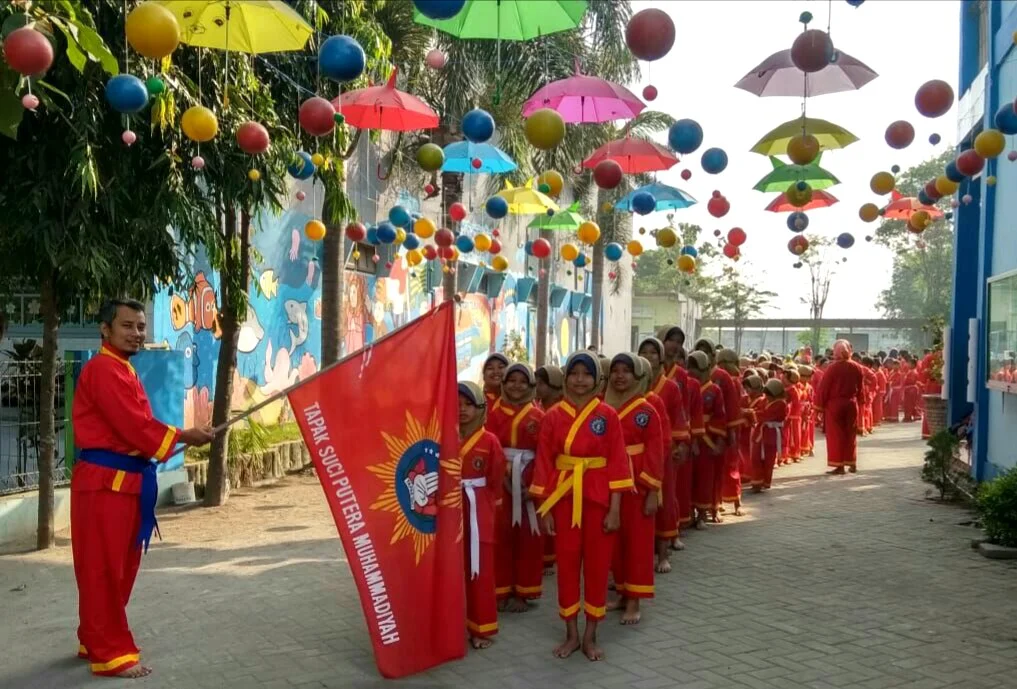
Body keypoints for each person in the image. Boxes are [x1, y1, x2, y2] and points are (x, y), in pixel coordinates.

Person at [72, 299, 214, 678]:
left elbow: (137, 427)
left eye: (140, 326)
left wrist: (180, 437)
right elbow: (134, 426)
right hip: (106, 487)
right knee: (105, 569)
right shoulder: (104, 369)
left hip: (121, 484)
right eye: (127, 326)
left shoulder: (120, 369)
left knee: (111, 568)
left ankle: (94, 637)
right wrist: (185, 434)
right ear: (106, 329)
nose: (137, 333)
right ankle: (111, 653)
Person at [530, 352, 632, 661]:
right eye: (573, 373)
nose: (579, 379)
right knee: (567, 568)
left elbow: (617, 463)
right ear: (565, 377)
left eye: (586, 374)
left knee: (599, 568)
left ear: (596, 379)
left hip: (599, 499)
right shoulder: (551, 416)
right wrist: (544, 509)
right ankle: (571, 633)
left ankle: (591, 634)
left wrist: (615, 509)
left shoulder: (608, 416)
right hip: (563, 498)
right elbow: (544, 463)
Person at [605, 354, 664, 625]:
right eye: (615, 370)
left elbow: (655, 450)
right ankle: (621, 591)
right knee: (615, 542)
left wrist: (653, 490)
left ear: (638, 376)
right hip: (608, 483)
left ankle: (635, 600)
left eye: (626, 371)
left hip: (638, 486)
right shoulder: (602, 408)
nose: (620, 376)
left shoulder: (646, 409)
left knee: (637, 544)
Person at [487, 363, 545, 612]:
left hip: (528, 482)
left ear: (532, 385)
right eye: (512, 380)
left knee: (528, 537)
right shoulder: (490, 413)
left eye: (523, 381)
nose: (517, 385)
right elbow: (487, 447)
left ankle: (523, 590)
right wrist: (503, 472)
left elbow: (545, 454)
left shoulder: (539, 417)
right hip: (499, 483)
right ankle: (500, 590)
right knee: (500, 535)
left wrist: (532, 481)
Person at [457, 382, 507, 649]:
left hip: (478, 512)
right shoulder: (442, 437)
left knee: (480, 570)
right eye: (456, 405)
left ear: (480, 409)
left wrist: (489, 515)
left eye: (468, 404)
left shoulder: (490, 442)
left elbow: (495, 481)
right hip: (451, 511)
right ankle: (453, 626)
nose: (461, 410)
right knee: (453, 570)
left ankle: (481, 628)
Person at [637, 336, 691, 568]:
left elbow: (678, 417)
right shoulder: (632, 382)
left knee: (663, 501)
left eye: (653, 352)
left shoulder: (670, 387)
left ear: (660, 356)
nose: (649, 356)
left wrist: (681, 445)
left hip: (663, 453)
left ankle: (663, 555)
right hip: (635, 455)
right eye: (644, 352)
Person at [687, 351, 726, 525]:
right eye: (690, 366)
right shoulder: (686, 386)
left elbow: (720, 416)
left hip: (708, 439)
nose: (692, 371)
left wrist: (718, 441)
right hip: (689, 436)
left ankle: (703, 512)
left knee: (705, 478)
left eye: (696, 367)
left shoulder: (714, 390)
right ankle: (689, 512)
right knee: (689, 477)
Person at [816, 340, 865, 475]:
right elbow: (861, 388)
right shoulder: (857, 367)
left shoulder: (832, 368)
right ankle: (852, 462)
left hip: (835, 405)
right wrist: (861, 401)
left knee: (836, 435)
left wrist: (818, 407)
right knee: (851, 434)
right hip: (851, 404)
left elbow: (823, 388)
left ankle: (839, 465)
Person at [712, 347, 747, 516]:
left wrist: (731, 430)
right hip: (717, 427)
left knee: (731, 466)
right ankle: (718, 502)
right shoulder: (715, 377)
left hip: (728, 427)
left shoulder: (733, 381)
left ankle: (735, 502)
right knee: (720, 468)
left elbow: (734, 408)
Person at [751, 379, 789, 492]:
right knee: (756, 457)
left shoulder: (781, 404)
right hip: (762, 432)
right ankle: (757, 481)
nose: (767, 397)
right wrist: (752, 411)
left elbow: (766, 415)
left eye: (769, 394)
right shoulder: (765, 400)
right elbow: (759, 410)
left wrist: (751, 413)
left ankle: (764, 481)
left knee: (768, 459)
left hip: (771, 434)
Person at [781, 366, 802, 464]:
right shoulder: (787, 389)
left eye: (785, 377)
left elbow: (795, 404)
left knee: (793, 436)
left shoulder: (792, 390)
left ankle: (793, 454)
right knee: (787, 436)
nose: (782, 378)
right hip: (788, 416)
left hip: (792, 416)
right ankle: (787, 454)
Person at [798, 365, 816, 457]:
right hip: (799, 411)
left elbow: (812, 400)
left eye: (809, 376)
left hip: (808, 411)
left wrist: (810, 408)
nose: (808, 378)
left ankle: (808, 447)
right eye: (805, 376)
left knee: (808, 430)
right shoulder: (797, 386)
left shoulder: (810, 387)